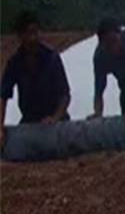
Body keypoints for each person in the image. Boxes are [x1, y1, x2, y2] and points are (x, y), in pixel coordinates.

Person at [0, 10, 71, 147]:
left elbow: (65, 96)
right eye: (28, 33)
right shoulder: (14, 62)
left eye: (35, 32)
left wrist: (55, 118)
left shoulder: (52, 58)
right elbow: (3, 97)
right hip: (30, 122)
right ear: (20, 36)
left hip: (56, 123)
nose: (33, 37)